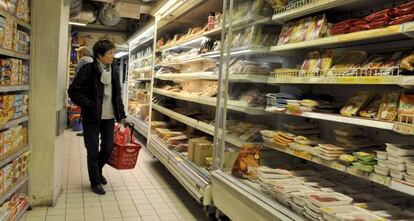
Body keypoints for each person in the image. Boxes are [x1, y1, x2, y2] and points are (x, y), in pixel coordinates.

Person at [68, 40, 126, 195]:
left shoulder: (114, 70)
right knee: (92, 150)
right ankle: (95, 181)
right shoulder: (88, 70)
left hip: (109, 117)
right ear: (100, 55)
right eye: (110, 53)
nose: (113, 56)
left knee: (107, 148)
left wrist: (121, 114)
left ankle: (97, 171)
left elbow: (117, 94)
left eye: (113, 52)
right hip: (92, 117)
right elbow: (73, 91)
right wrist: (89, 104)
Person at [74, 46, 93, 136]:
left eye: (79, 52)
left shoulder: (82, 61)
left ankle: (85, 131)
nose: (78, 54)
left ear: (83, 53)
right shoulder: (91, 60)